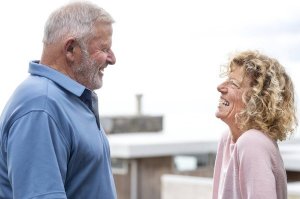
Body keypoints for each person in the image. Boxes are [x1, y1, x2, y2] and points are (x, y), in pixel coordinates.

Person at [0, 1, 117, 198]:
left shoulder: (64, 100)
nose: (112, 58)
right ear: (71, 49)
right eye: (104, 49)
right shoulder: (41, 106)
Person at [212, 50, 298, 199]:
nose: (220, 87)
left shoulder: (253, 143)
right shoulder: (227, 139)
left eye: (233, 83)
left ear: (256, 100)